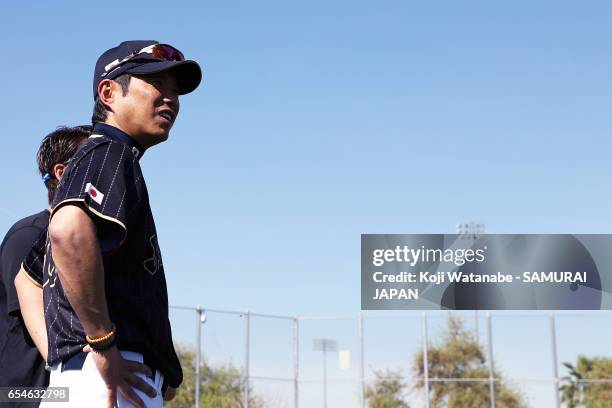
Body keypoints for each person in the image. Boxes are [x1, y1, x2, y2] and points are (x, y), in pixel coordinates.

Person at [41, 41, 201, 408]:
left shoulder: (104, 155)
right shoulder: (109, 150)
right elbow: (67, 230)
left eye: (176, 91)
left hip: (89, 377)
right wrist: (103, 343)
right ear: (108, 92)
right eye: (156, 83)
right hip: (108, 378)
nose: (171, 98)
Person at [0, 126, 90, 407]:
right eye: (92, 163)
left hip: (63, 392)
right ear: (62, 172)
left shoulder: (96, 243)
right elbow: (41, 323)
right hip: (22, 395)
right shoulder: (28, 236)